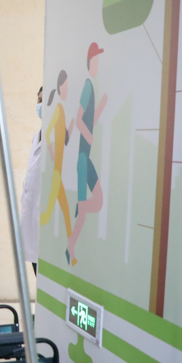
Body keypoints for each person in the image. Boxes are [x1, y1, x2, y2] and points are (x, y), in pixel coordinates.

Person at [67, 43, 110, 266]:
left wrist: (101, 106)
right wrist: (88, 136)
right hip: (83, 159)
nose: (98, 64)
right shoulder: (87, 86)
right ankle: (71, 248)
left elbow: (91, 120)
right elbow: (80, 118)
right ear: (90, 62)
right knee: (84, 213)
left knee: (99, 200)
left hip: (87, 158)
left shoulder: (92, 88)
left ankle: (81, 207)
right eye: (96, 60)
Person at [40, 70, 75, 252]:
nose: (67, 88)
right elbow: (47, 133)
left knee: (66, 212)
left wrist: (72, 125)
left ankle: (71, 250)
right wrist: (51, 152)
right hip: (56, 172)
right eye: (66, 85)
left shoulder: (64, 111)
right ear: (60, 86)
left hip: (59, 172)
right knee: (47, 216)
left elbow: (65, 140)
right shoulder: (58, 109)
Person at [20, 87, 44, 275]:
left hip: (45, 216)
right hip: (32, 213)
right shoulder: (37, 135)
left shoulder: (61, 133)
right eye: (39, 100)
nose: (40, 105)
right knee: (36, 269)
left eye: (44, 100)